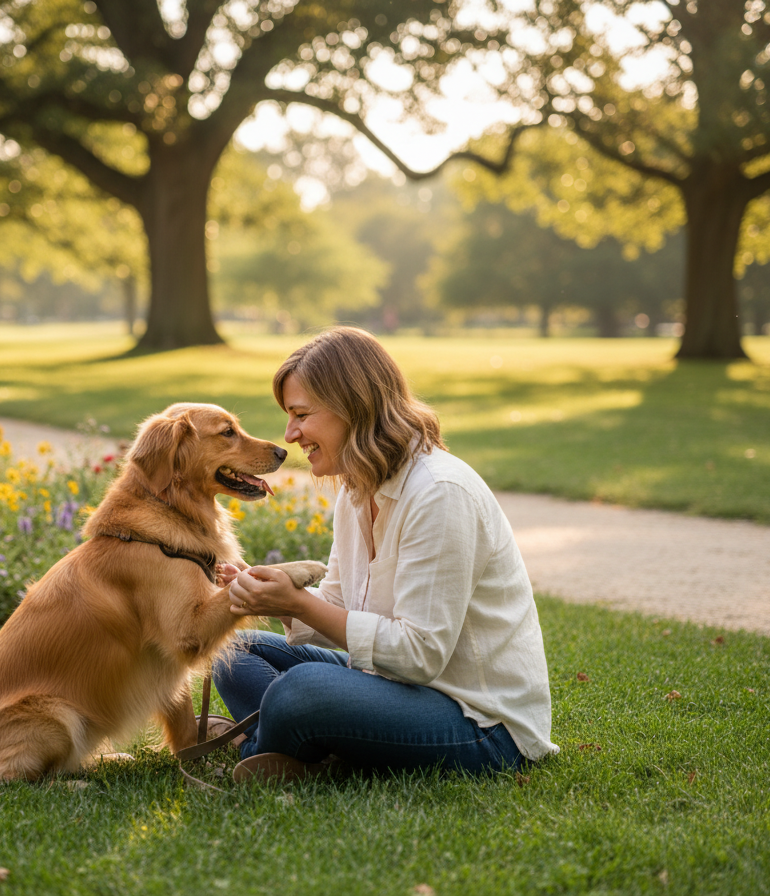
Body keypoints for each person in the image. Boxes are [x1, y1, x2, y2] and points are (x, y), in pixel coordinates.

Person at [214, 327, 558, 783]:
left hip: (480, 725)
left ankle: (259, 746)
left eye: (300, 414)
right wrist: (275, 601)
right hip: (393, 687)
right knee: (233, 651)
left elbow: (420, 654)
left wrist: (298, 602)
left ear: (351, 407)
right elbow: (338, 606)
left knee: (300, 691)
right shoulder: (357, 490)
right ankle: (307, 749)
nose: (290, 433)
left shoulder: (439, 493)